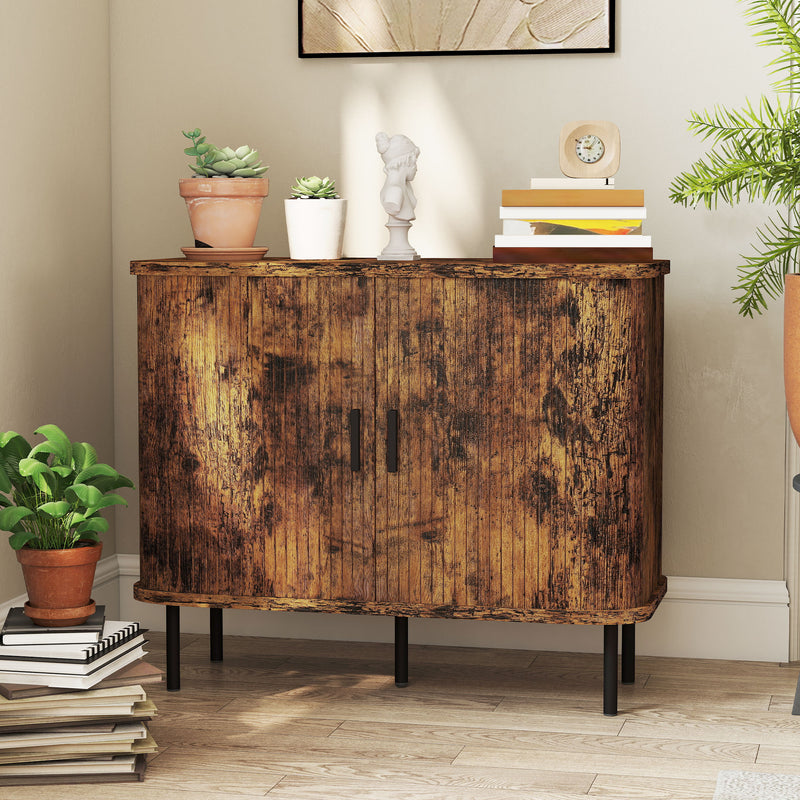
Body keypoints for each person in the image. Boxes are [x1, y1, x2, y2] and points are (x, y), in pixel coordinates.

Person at [376, 132, 419, 222]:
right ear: (408, 161)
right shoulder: (394, 191)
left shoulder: (404, 188)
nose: (416, 169)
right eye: (415, 162)